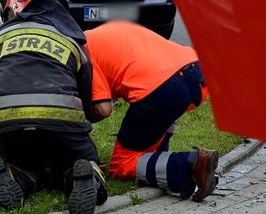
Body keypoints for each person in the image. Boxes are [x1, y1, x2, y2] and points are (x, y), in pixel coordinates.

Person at [0, 0, 107, 214]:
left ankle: (13, 174)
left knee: (24, 162)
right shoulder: (72, 40)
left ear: (16, 6)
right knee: (81, 158)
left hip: (6, 125)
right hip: (61, 124)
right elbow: (84, 100)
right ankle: (84, 176)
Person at [83, 21, 218, 202]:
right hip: (195, 72)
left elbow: (102, 109)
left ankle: (192, 163)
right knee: (161, 111)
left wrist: (79, 126)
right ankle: (161, 161)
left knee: (121, 164)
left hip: (163, 88)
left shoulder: (82, 51)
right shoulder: (99, 34)